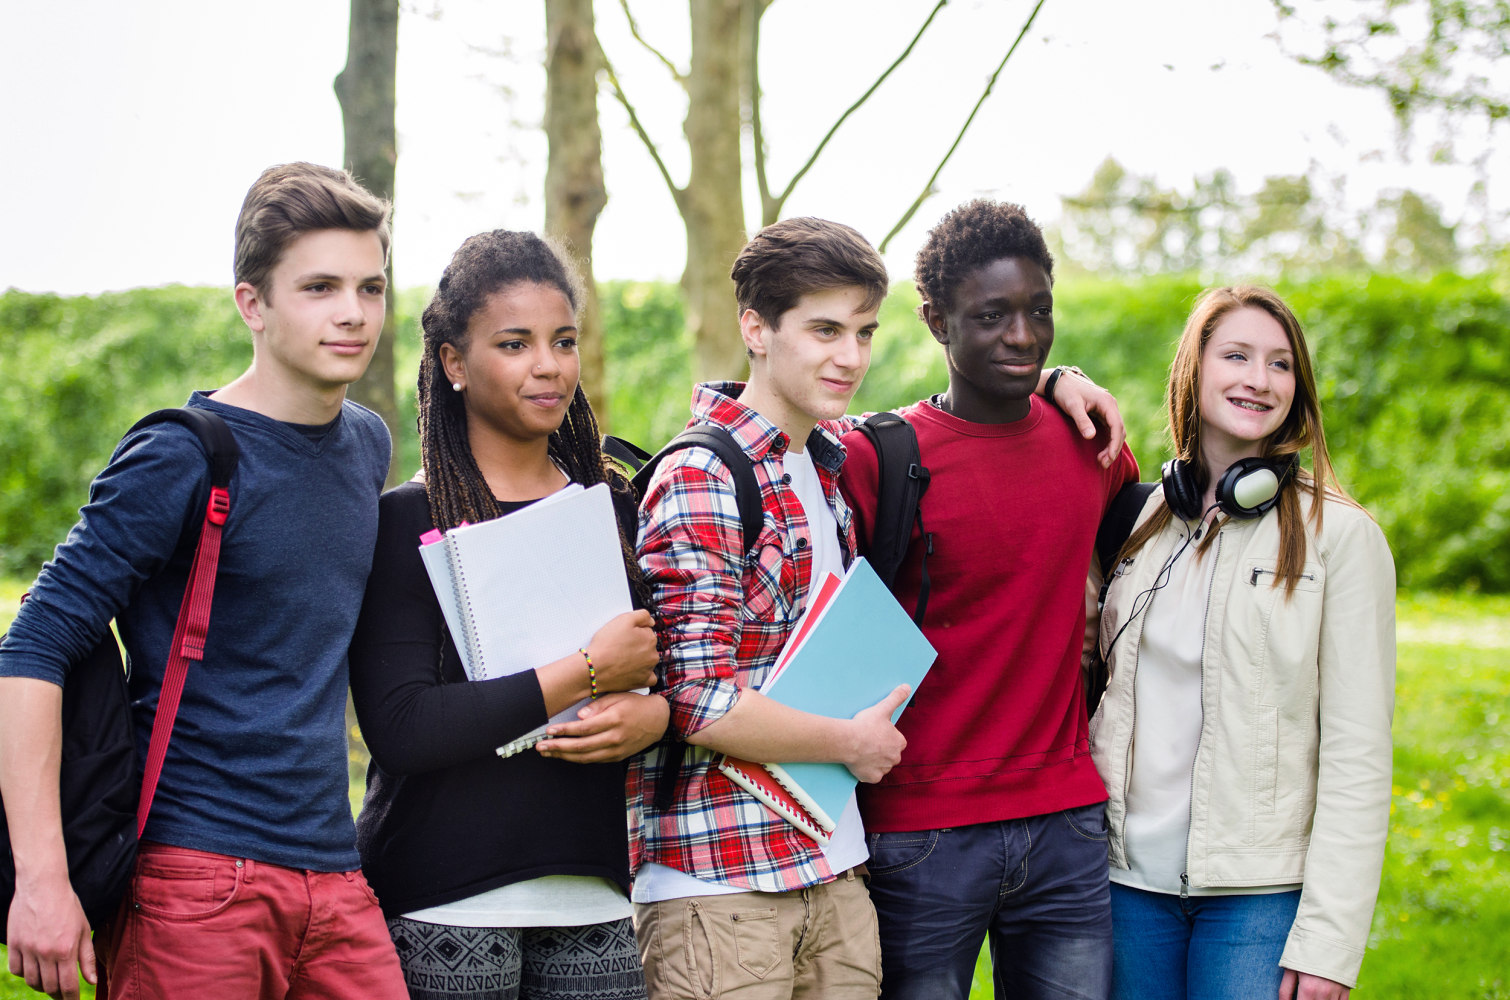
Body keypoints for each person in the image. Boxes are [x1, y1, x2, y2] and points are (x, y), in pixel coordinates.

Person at [631, 215, 1124, 1000]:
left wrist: (1061, 379)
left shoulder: (831, 462)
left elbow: (981, 422)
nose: (851, 357)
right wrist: (848, 744)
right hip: (725, 876)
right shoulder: (706, 473)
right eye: (825, 330)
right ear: (754, 328)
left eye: (862, 332)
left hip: (835, 865)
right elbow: (697, 697)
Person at [0, 162, 408, 999]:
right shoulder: (183, 454)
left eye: (371, 287)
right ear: (251, 304)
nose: (353, 313)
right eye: (320, 287)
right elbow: (34, 646)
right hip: (195, 876)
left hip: (334, 875)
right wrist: (42, 881)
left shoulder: (367, 444)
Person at [348, 229, 666, 1000]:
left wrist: (653, 717)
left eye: (563, 341)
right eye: (515, 343)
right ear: (454, 363)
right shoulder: (406, 521)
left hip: (597, 891)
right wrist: (585, 672)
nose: (549, 365)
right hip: (445, 900)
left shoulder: (617, 509)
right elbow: (403, 726)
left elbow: (682, 679)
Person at [837, 199, 1139, 1000]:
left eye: (1039, 311)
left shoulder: (1092, 447)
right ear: (937, 320)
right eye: (992, 315)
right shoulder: (880, 459)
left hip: (1066, 819)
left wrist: (1063, 381)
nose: (1023, 335)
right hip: (920, 826)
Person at [1088, 286, 1395, 1000]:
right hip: (1123, 885)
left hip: (1258, 898)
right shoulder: (1138, 521)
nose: (1259, 379)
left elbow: (1358, 753)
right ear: (1194, 372)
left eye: (1280, 364)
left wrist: (1328, 942)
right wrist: (1057, 378)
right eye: (1237, 356)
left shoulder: (1344, 540)